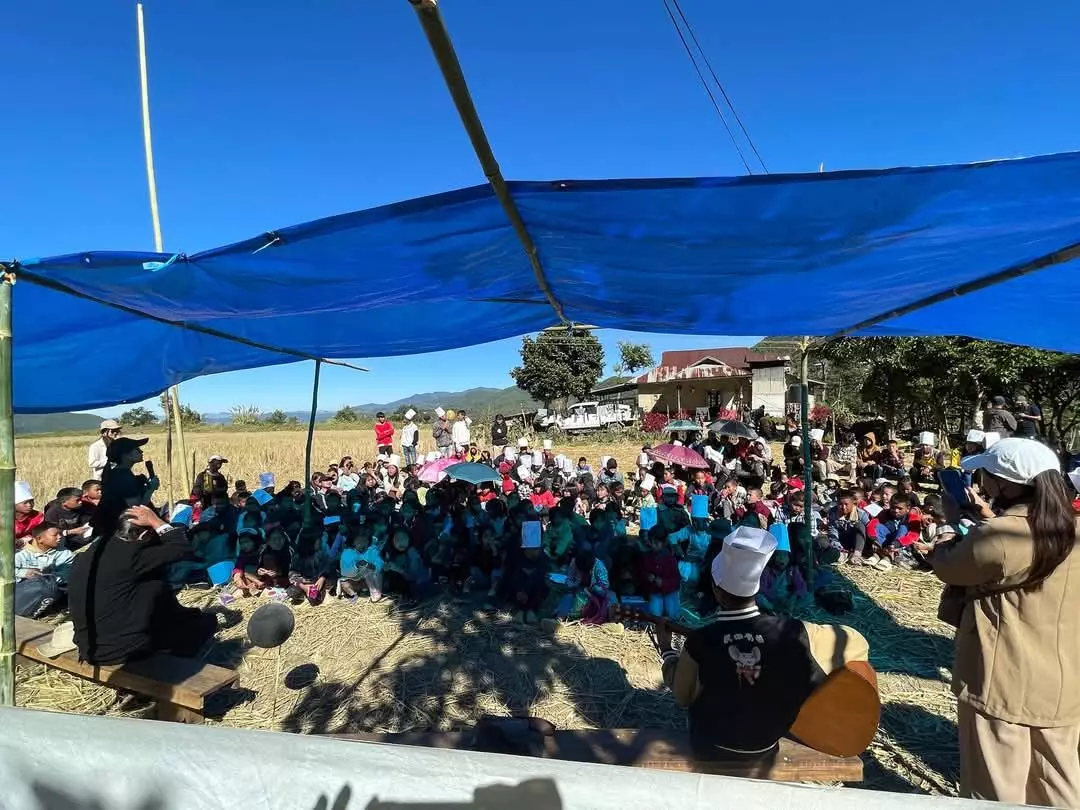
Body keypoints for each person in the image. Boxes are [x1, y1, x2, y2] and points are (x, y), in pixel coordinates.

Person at [925, 438, 1080, 806]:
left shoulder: (998, 535)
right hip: (1064, 684)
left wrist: (950, 524)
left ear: (1005, 484)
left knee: (996, 789)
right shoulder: (1071, 530)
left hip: (1001, 681)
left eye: (986, 476)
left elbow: (950, 566)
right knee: (1058, 785)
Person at [655, 526, 870, 762]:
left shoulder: (700, 640)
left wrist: (667, 651)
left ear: (716, 591)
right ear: (757, 588)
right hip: (764, 748)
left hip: (709, 746)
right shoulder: (798, 632)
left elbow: (682, 696)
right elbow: (858, 643)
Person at [69, 505, 217, 664]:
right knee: (206, 622)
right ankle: (174, 664)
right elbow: (181, 548)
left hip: (88, 646)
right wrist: (157, 522)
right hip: (121, 650)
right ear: (145, 535)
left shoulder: (92, 552)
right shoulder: (133, 557)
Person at [92, 436, 158, 541]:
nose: (141, 451)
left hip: (107, 527)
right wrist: (150, 489)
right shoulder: (123, 477)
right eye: (137, 449)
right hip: (119, 530)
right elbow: (136, 508)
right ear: (125, 455)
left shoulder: (113, 471)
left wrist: (138, 481)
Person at [15, 523, 75, 618]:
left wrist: (46, 578)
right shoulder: (20, 555)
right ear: (39, 539)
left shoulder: (65, 553)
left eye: (60, 534)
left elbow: (67, 573)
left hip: (54, 590)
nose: (59, 537)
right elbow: (5, 572)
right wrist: (24, 573)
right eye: (55, 535)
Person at [14, 480, 43, 549]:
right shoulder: (4, 517)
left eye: (31, 501)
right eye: (25, 503)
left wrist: (25, 540)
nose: (29, 505)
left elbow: (42, 534)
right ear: (14, 504)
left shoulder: (38, 517)